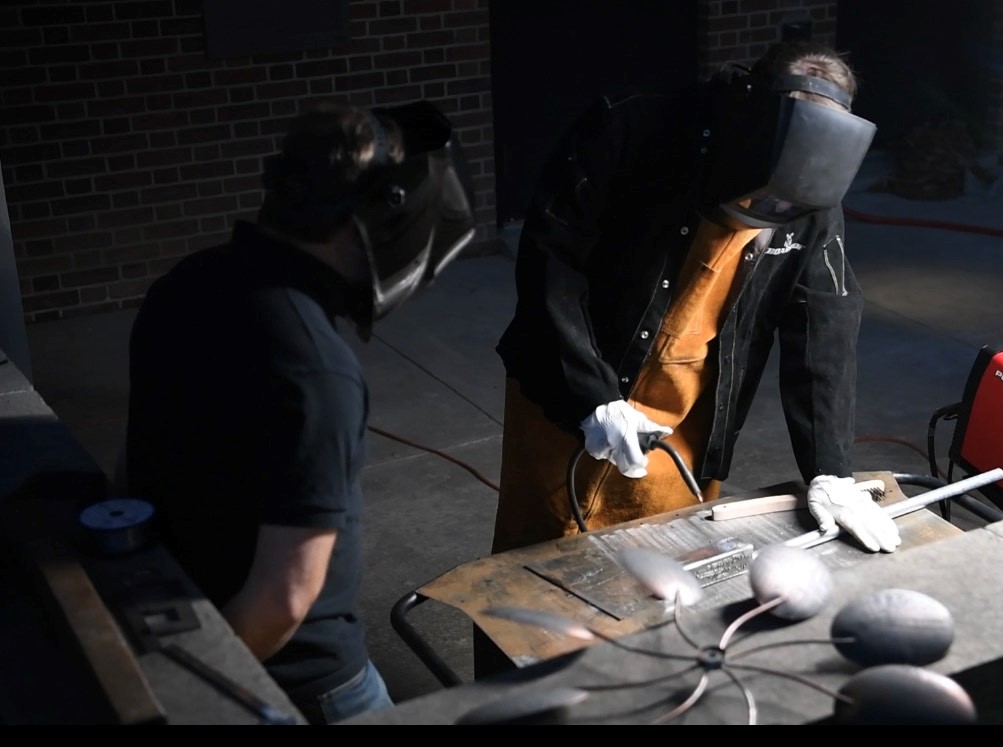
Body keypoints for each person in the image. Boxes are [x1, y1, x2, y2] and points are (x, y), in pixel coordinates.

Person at [122, 99, 474, 724]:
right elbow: (284, 599)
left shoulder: (186, 283)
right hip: (307, 677)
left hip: (185, 601)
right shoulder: (316, 370)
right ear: (373, 219)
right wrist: (191, 697)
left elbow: (139, 464)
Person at [490, 41, 901, 556]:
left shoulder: (815, 194)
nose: (767, 212)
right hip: (569, 379)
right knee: (541, 560)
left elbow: (824, 324)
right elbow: (551, 265)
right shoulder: (629, 130)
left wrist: (831, 470)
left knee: (666, 561)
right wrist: (592, 398)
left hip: (688, 410)